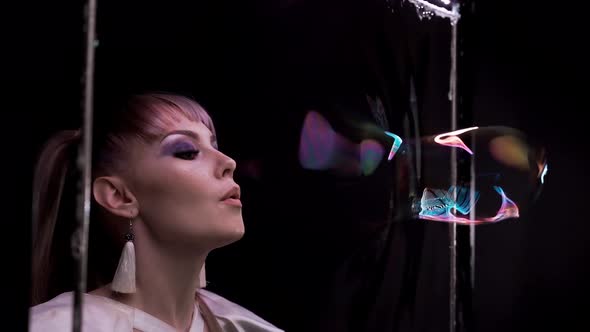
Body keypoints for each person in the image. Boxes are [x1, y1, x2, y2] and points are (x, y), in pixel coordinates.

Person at [28, 93, 284, 332]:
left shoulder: (243, 325)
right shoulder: (60, 325)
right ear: (119, 196)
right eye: (187, 152)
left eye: (215, 145)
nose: (229, 162)